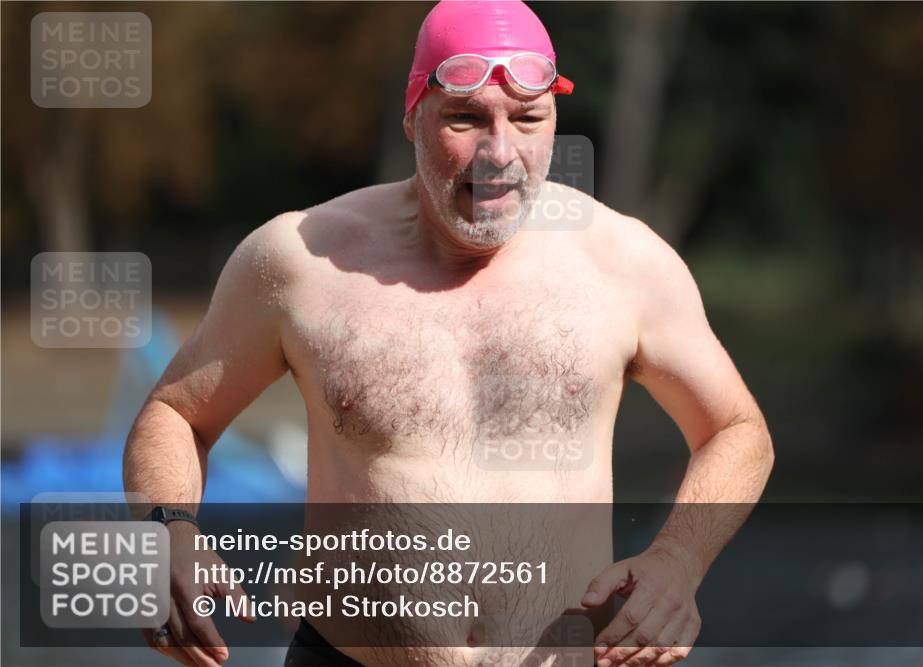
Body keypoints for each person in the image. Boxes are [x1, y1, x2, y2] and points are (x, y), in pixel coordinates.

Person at [123, 1, 774, 666]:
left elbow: (735, 429)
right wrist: (168, 532)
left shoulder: (626, 265)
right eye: (466, 118)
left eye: (528, 118)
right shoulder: (299, 261)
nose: (499, 152)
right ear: (413, 116)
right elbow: (177, 412)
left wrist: (678, 558)